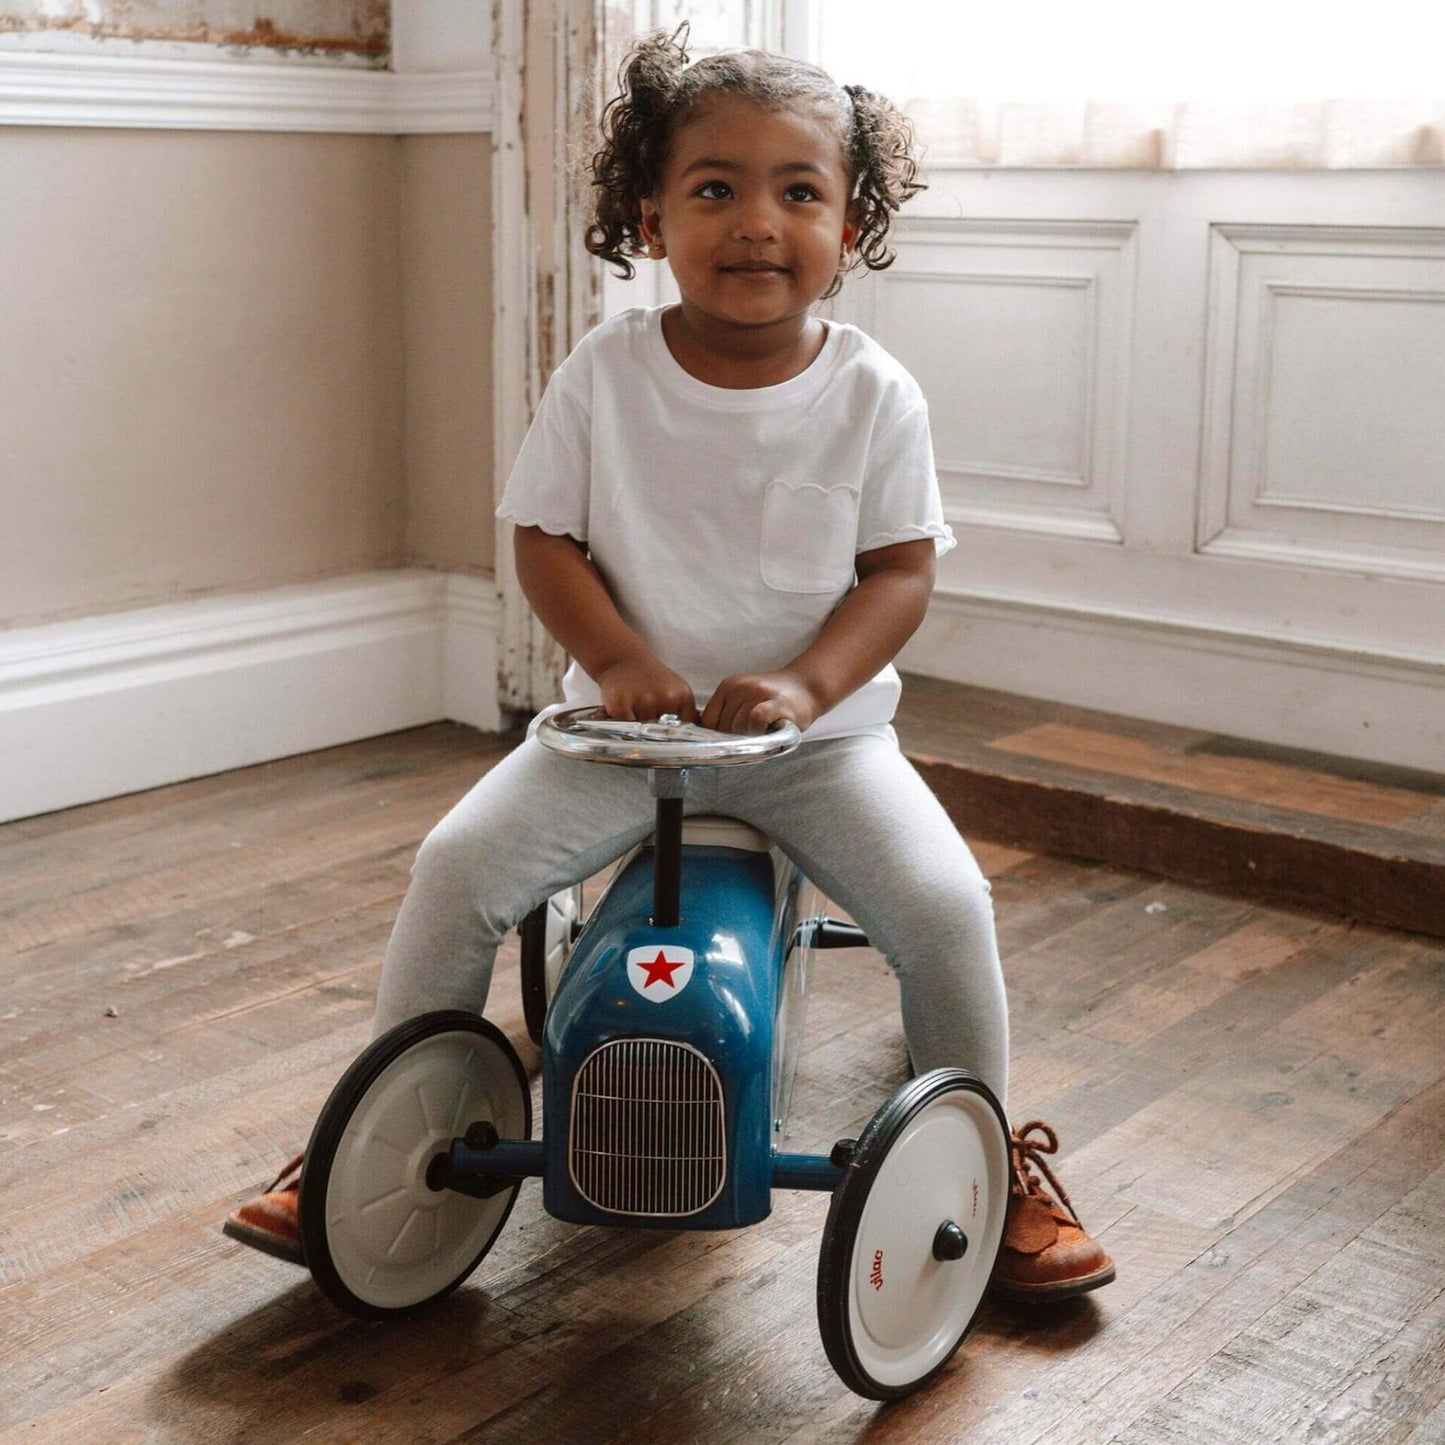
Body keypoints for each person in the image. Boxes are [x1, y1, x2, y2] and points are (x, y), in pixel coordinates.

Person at [225, 27, 1113, 1304]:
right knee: (458, 867)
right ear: (648, 212)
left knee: (943, 907)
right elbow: (543, 537)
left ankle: (989, 1157)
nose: (757, 222)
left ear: (848, 219)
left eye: (797, 191)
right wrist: (620, 656)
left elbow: (899, 573)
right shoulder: (605, 374)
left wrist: (809, 685)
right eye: (714, 187)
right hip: (622, 742)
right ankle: (366, 1127)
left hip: (822, 750)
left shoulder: (875, 394)